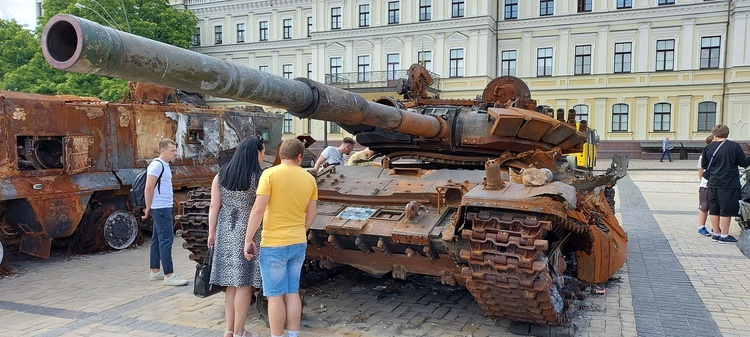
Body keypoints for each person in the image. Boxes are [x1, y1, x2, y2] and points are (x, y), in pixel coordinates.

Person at [244, 139, 317, 337]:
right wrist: (300, 231)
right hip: (297, 242)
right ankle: (293, 335)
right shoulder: (309, 179)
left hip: (274, 244)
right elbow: (311, 214)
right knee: (292, 292)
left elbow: (258, 209)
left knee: (275, 296)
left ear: (281, 154)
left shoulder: (270, 174)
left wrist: (248, 238)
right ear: (299, 156)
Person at [208, 136, 265, 337]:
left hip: (225, 229)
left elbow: (214, 206)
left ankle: (229, 330)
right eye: (262, 151)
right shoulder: (258, 177)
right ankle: (241, 332)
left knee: (230, 284)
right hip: (248, 231)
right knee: (244, 284)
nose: (264, 155)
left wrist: (211, 232)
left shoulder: (221, 175)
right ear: (255, 153)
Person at [143, 139, 188, 286]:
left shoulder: (164, 165)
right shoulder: (157, 165)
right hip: (161, 208)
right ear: (162, 150)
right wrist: (148, 207)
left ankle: (155, 271)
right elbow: (149, 188)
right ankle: (169, 274)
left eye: (175, 150)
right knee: (167, 239)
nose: (175, 153)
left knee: (157, 239)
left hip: (162, 206)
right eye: (172, 150)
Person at [701, 124, 750, 243]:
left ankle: (716, 234)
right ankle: (724, 235)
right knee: (725, 210)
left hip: (712, 183)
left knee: (714, 209)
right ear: (727, 133)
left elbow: (704, 166)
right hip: (729, 184)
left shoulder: (708, 148)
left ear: (714, 134)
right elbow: (743, 163)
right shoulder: (734, 146)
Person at [696, 135, 714, 237]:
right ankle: (701, 227)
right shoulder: (703, 156)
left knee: (715, 207)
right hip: (706, 185)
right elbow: (700, 171)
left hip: (716, 184)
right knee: (704, 206)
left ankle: (715, 226)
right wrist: (702, 182)